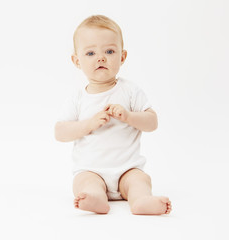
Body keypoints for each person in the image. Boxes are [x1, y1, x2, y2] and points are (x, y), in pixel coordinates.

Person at [55, 15, 172, 215]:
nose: (101, 58)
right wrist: (89, 124)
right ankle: (95, 198)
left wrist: (129, 116)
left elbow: (152, 122)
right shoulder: (78, 98)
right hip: (91, 170)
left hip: (127, 169)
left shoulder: (130, 91)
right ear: (77, 61)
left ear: (122, 57)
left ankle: (141, 200)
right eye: (90, 53)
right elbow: (60, 132)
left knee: (140, 180)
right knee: (83, 182)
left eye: (109, 51)